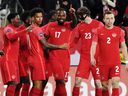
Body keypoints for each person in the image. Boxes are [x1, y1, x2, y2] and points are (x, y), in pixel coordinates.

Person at [28, 7, 68, 96]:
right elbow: (45, 44)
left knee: (37, 85)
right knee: (38, 86)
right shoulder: (38, 29)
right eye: (37, 17)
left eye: (41, 17)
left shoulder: (30, 29)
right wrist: (60, 47)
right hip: (38, 59)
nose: (40, 19)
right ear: (32, 18)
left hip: (32, 58)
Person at [90, 11, 128, 96]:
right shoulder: (98, 31)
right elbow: (93, 45)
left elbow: (123, 46)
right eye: (107, 18)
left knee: (116, 82)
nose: (109, 21)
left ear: (114, 19)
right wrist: (92, 57)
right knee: (104, 86)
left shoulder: (119, 31)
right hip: (102, 63)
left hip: (115, 62)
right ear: (103, 19)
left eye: (111, 18)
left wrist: (127, 62)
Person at [44, 7, 77, 96]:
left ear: (66, 16)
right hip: (54, 57)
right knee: (60, 81)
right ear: (56, 16)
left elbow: (74, 23)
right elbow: (44, 41)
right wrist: (47, 51)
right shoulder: (51, 25)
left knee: (61, 84)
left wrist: (73, 14)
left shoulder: (68, 25)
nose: (61, 17)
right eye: (59, 15)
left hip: (66, 58)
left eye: (63, 15)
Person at [72, 7, 103, 96]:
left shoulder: (98, 24)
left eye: (80, 15)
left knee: (98, 83)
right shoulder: (79, 26)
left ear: (86, 14)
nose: (79, 17)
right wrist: (65, 47)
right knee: (77, 81)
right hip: (84, 58)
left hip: (96, 58)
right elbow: (74, 41)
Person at [0, 13, 27, 96]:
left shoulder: (16, 30)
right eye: (17, 19)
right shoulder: (8, 28)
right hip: (8, 60)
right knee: (13, 83)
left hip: (14, 61)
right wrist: (25, 30)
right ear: (11, 20)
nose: (19, 20)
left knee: (16, 84)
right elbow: (11, 36)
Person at [15, 11, 31, 96]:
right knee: (25, 83)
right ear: (24, 20)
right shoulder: (20, 30)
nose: (31, 19)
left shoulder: (34, 29)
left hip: (28, 60)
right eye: (29, 17)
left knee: (21, 83)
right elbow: (19, 46)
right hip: (20, 61)